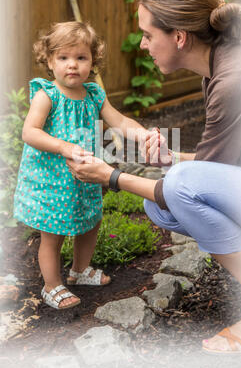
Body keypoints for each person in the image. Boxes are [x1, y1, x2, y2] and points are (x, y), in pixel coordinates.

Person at [67, 0, 241, 353]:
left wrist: (111, 176)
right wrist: (173, 158)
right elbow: (221, 171)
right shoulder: (223, 65)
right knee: (162, 202)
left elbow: (193, 184)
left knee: (175, 188)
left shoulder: (234, 79)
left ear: (179, 37)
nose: (144, 45)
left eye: (148, 35)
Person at [14, 21, 149, 310]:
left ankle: (79, 270)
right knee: (53, 233)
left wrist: (143, 135)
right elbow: (30, 132)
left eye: (81, 57)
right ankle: (51, 285)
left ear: (93, 61)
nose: (72, 65)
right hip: (51, 179)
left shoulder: (94, 95)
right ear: (49, 61)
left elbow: (120, 121)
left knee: (91, 221)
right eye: (63, 58)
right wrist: (63, 146)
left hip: (85, 176)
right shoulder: (46, 96)